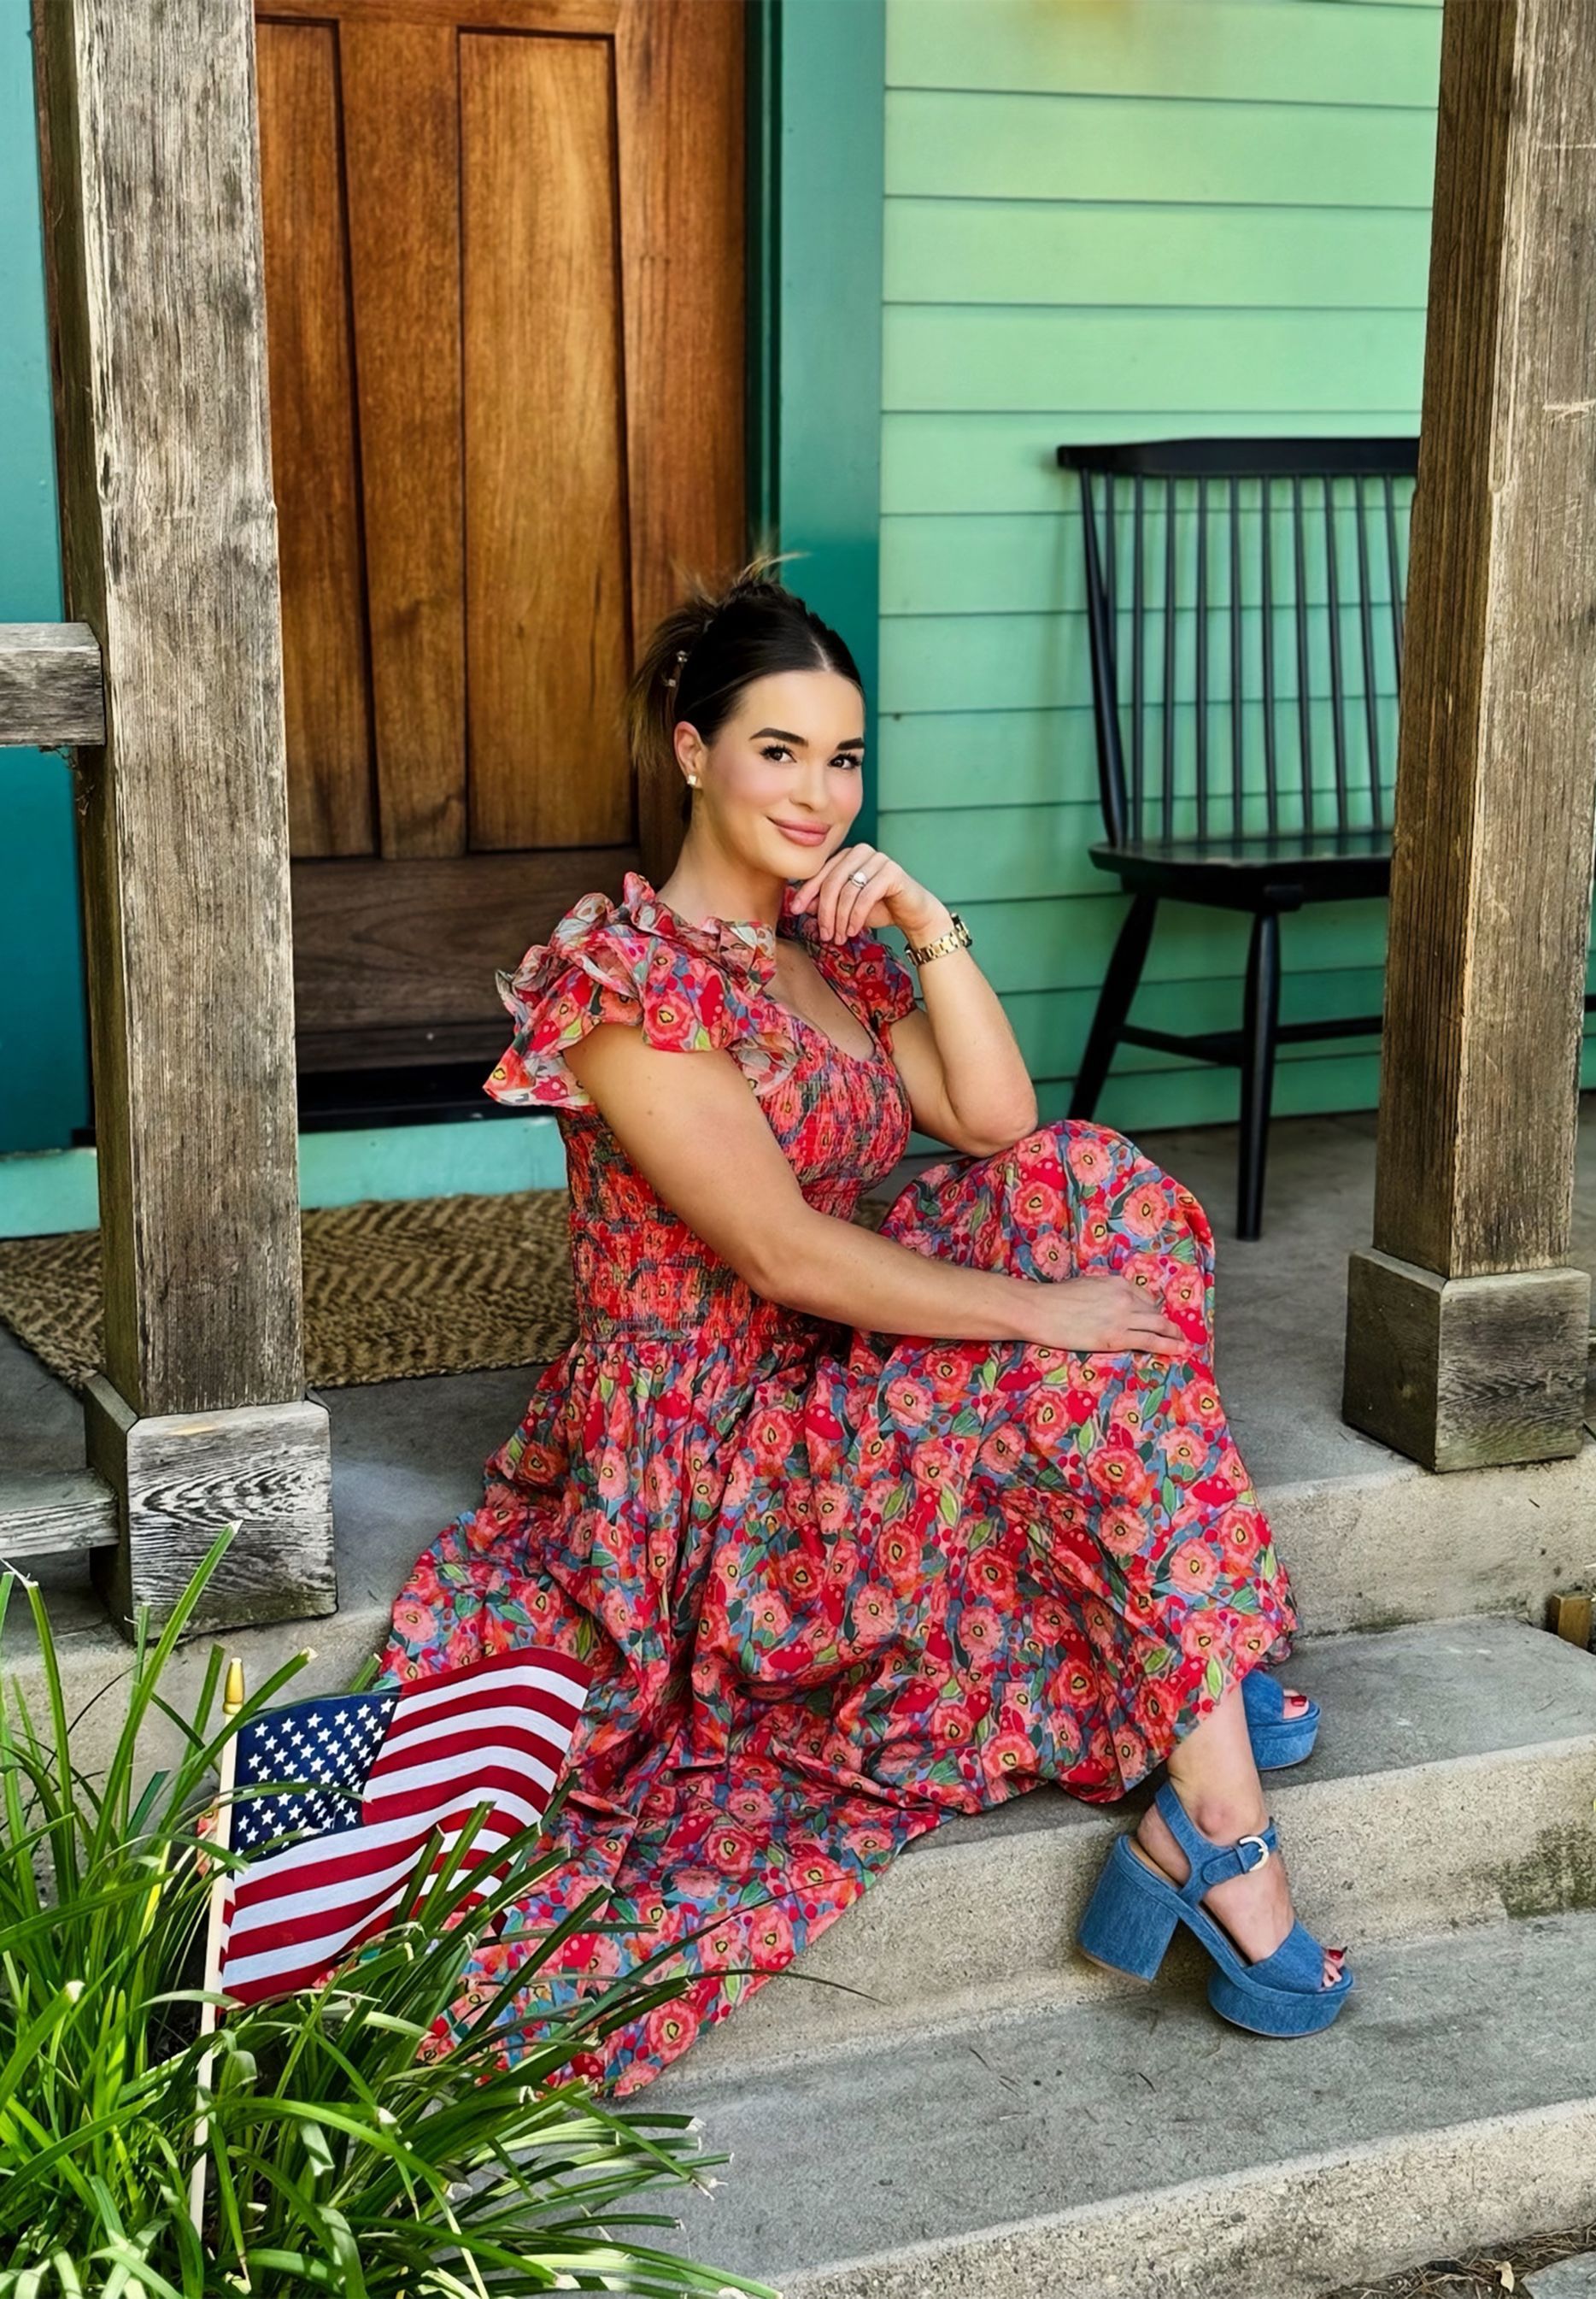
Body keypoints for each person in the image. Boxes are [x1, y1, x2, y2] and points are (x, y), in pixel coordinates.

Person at [375, 556, 1350, 2096]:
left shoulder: (826, 945)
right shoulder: (624, 982)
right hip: (715, 1448)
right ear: (691, 751)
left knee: (1087, 1183)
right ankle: (1212, 1772)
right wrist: (1037, 1315)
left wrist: (918, 911)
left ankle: (1192, 1727)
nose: (818, 792)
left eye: (843, 758)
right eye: (779, 751)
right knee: (1069, 1335)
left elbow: (995, 1118)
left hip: (837, 1373)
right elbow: (778, 1253)